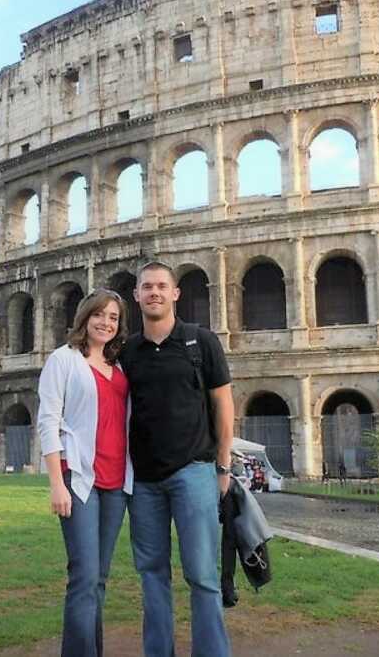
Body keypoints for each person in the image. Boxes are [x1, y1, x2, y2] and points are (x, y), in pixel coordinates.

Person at [119, 261, 233, 657]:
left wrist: (223, 465)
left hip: (194, 472)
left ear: (175, 293)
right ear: (136, 295)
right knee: (152, 575)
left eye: (161, 286)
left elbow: (223, 404)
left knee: (202, 575)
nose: (154, 292)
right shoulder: (128, 351)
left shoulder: (200, 342)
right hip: (145, 482)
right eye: (146, 287)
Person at [37, 288, 133, 657]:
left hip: (115, 482)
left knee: (99, 579)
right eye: (99, 315)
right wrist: (56, 484)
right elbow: (48, 422)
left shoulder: (119, 365)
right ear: (84, 317)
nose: (106, 322)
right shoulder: (63, 360)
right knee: (84, 577)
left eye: (113, 317)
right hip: (79, 479)